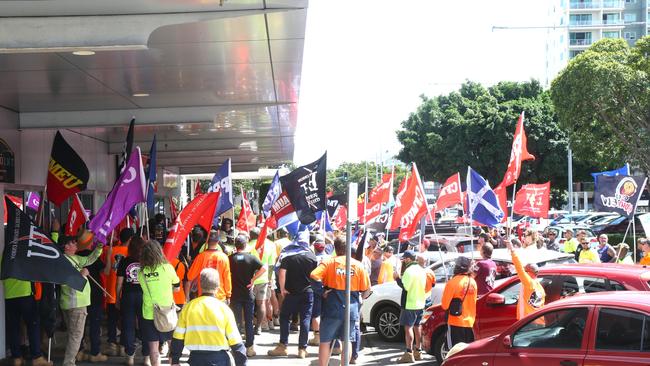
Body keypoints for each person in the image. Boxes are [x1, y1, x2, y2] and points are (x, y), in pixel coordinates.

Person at [310, 236, 370, 366]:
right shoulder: (358, 265)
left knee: (325, 341)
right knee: (346, 341)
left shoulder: (329, 262)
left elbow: (314, 275)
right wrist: (361, 299)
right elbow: (367, 289)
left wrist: (321, 291)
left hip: (332, 306)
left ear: (335, 249)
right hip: (351, 307)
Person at [171, 268, 247, 366]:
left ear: (200, 285)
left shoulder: (188, 307)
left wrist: (175, 360)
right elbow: (236, 342)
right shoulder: (224, 309)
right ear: (218, 286)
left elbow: (178, 336)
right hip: (219, 359)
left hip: (196, 359)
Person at [268, 232, 318, 358]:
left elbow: (282, 274)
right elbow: (316, 275)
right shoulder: (312, 256)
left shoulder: (287, 256)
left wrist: (283, 289)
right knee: (305, 319)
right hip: (308, 292)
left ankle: (283, 346)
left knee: (284, 317)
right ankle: (302, 349)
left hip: (291, 293)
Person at [60, 235, 103, 366]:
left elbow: (90, 259)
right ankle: (68, 363)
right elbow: (68, 282)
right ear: (65, 247)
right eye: (72, 242)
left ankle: (70, 360)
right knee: (76, 336)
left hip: (74, 303)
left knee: (73, 334)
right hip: (75, 304)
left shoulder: (76, 258)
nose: (75, 243)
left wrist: (99, 247)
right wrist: (82, 275)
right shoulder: (63, 261)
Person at [138, 240, 180, 366]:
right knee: (172, 345)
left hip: (149, 314)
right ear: (159, 252)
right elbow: (177, 287)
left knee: (154, 350)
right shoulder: (168, 268)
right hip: (167, 313)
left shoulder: (141, 273)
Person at [229, 235, 266, 357]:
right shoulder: (251, 257)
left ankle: (237, 347)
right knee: (249, 321)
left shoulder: (230, 258)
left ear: (236, 245)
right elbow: (264, 268)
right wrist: (253, 279)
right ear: (245, 245)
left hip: (235, 293)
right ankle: (250, 347)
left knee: (236, 321)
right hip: (248, 293)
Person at [3, 276, 52, 366]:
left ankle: (16, 357)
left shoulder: (3, 260)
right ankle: (36, 357)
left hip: (9, 294)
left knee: (13, 327)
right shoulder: (26, 260)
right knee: (33, 325)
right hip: (26, 292)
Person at [116, 237, 149, 366]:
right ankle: (146, 357)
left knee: (128, 326)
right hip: (143, 296)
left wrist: (118, 298)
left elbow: (119, 283)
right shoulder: (146, 261)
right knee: (145, 325)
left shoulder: (124, 261)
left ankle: (130, 356)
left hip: (128, 296)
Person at [394, 250, 427, 363]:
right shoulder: (422, 270)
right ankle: (418, 350)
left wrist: (397, 278)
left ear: (408, 259)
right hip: (420, 303)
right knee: (417, 326)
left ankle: (409, 353)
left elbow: (405, 286)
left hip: (410, 303)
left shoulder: (409, 270)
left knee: (408, 328)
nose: (404, 261)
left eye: (404, 259)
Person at [103, 228, 132, 356]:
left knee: (112, 320)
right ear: (130, 239)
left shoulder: (110, 250)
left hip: (111, 291)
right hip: (125, 293)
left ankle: (112, 344)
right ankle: (123, 346)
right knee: (126, 320)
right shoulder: (133, 253)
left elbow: (107, 270)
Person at [441, 257, 477, 347]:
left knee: (454, 352)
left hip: (455, 322)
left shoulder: (452, 283)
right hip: (469, 322)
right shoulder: (473, 282)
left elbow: (445, 306)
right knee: (467, 353)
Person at [186, 230, 231, 302]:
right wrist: (228, 295)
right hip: (220, 296)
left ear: (207, 241)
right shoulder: (224, 257)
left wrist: (187, 297)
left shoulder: (200, 257)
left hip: (203, 297)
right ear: (218, 242)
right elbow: (227, 277)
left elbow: (189, 277)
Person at [505, 239, 545, 320]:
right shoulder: (540, 287)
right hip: (538, 321)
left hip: (528, 323)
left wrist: (512, 250)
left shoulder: (529, 282)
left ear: (528, 272)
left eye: (525, 270)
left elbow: (519, 267)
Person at [249, 227, 277, 334]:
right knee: (261, 304)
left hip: (249, 280)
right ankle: (259, 327)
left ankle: (248, 325)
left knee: (249, 304)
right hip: (264, 279)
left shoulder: (247, 246)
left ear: (250, 236)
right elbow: (271, 265)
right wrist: (269, 279)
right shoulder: (270, 245)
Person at [308, 234, 331, 346]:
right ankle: (326, 336)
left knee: (316, 314)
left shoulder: (311, 258)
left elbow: (311, 275)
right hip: (328, 288)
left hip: (315, 288)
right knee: (326, 314)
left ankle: (317, 336)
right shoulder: (330, 258)